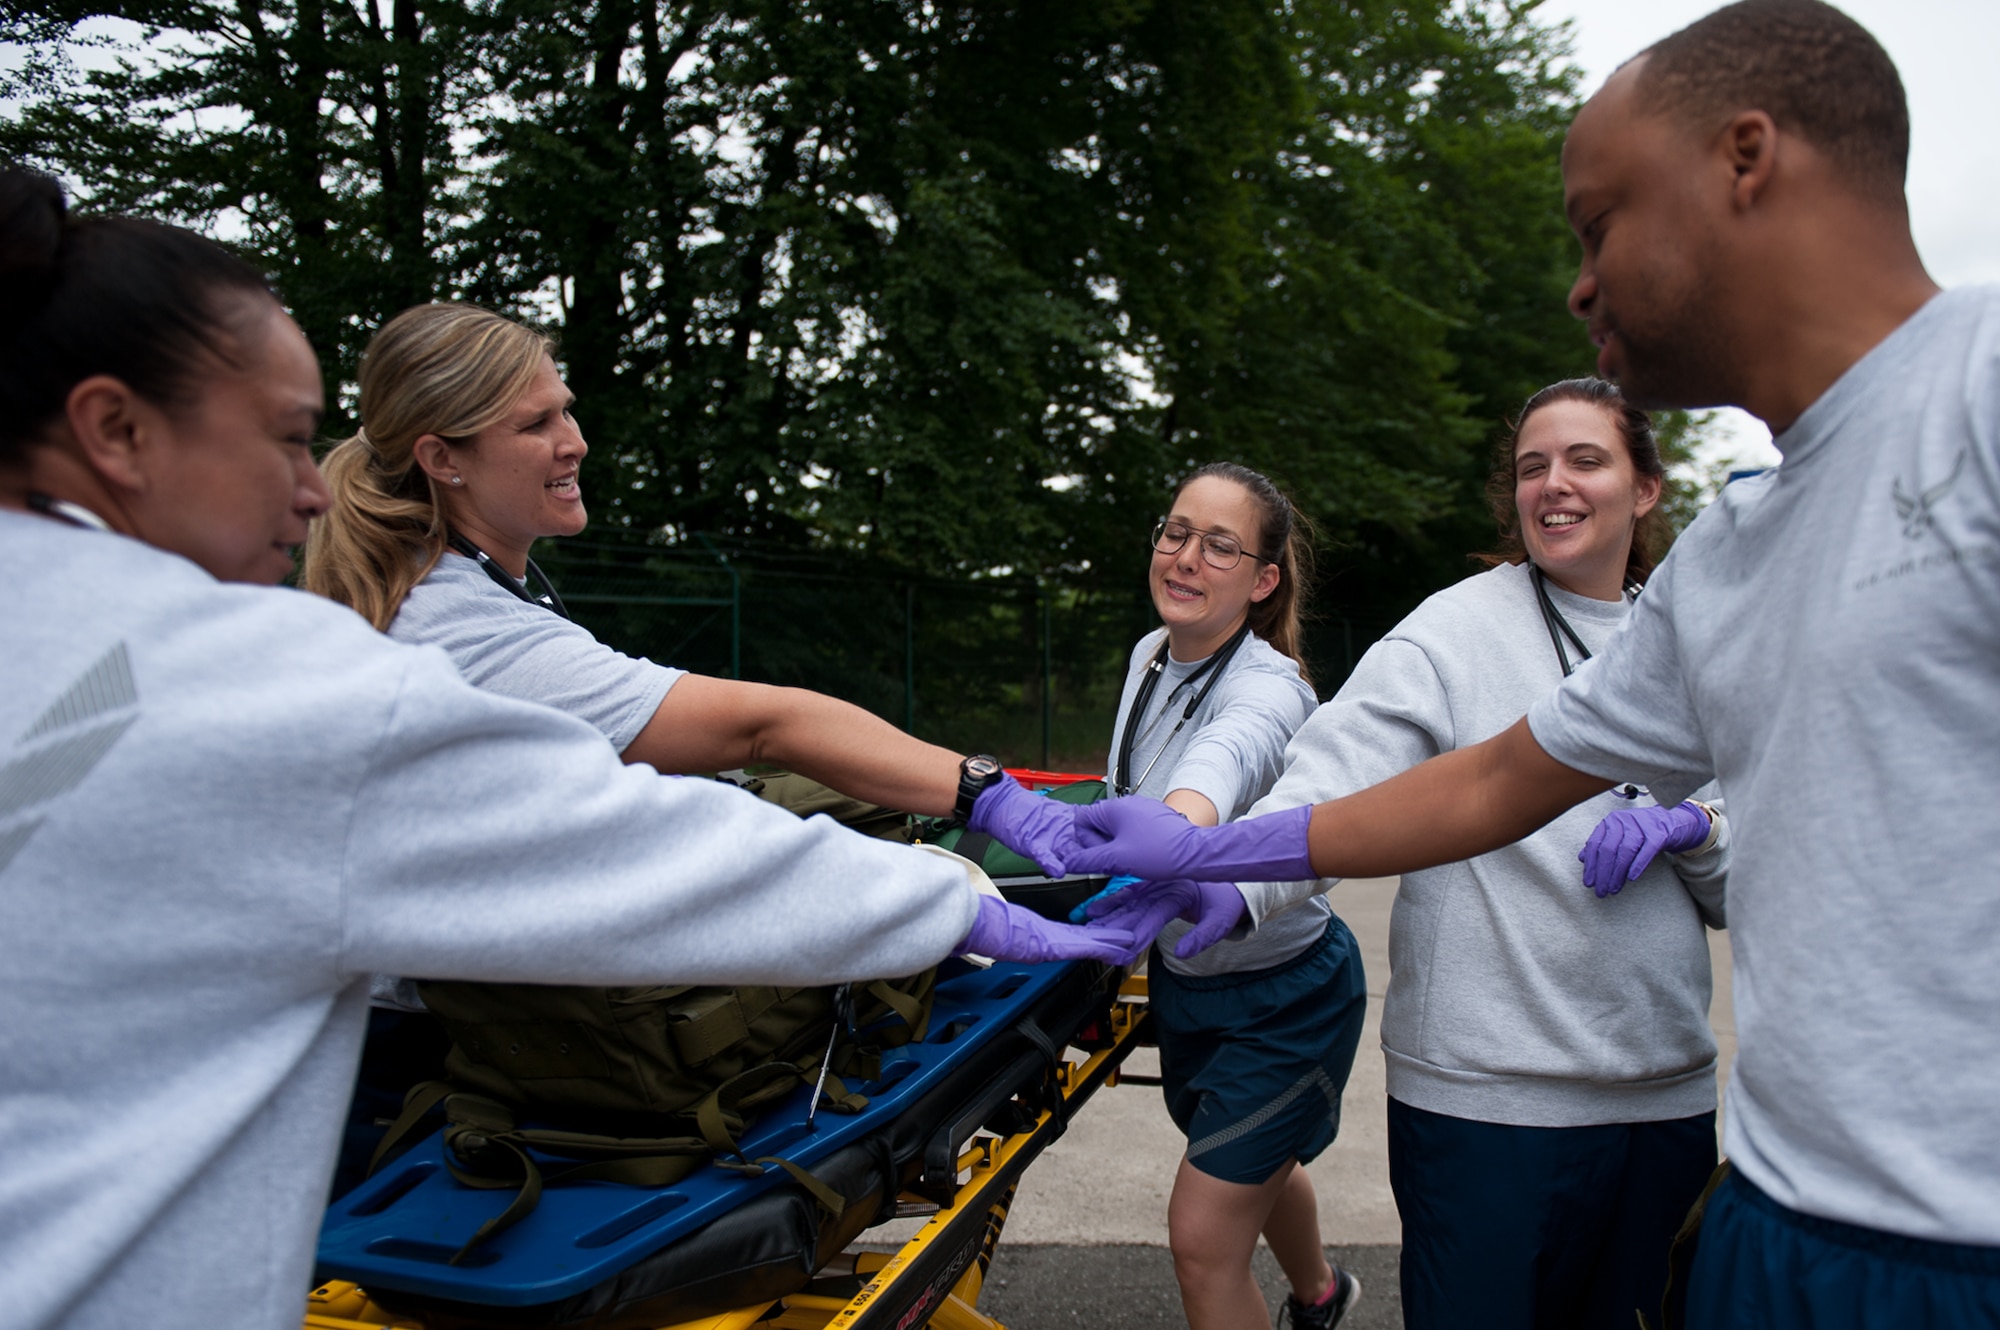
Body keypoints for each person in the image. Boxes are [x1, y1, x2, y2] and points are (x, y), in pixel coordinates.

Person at [0, 168, 1131, 1329]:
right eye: (287, 438)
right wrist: (965, 901)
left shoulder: (69, 660)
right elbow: (669, 843)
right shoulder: (264, 682)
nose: (309, 489)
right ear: (115, 430)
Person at [1064, 2, 2000, 1323]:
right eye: (1530, 464)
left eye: (1601, 222)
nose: (1580, 281)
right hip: (1775, 1211)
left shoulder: (1979, 391)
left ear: (1747, 158)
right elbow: (1495, 778)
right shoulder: (1734, 556)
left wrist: (1693, 826)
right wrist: (1222, 856)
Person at [1219, 380, 1728, 1330]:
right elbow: (1328, 783)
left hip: (1662, 1100)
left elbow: (1749, 877)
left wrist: (1696, 826)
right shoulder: (1451, 632)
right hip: (1486, 1106)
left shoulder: (1699, 640)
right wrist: (1230, 881)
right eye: (1533, 466)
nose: (1554, 485)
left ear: (1646, 488)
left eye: (1585, 460)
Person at [301, 301, 1023, 825]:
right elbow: (766, 726)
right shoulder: (456, 621)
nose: (574, 441)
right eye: (535, 424)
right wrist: (995, 798)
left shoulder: (442, 589)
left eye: (566, 410)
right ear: (441, 459)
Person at [1102, 464, 1364, 1330]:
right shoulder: (1150, 655)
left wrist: (1176, 830)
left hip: (1287, 997)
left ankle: (1317, 1297)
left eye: (1220, 545)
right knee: (1252, 1158)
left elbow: (1225, 759)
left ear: (1261, 581)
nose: (1186, 558)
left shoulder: (1274, 690)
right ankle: (1323, 1296)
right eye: (1176, 532)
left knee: (1203, 1238)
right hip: (1192, 981)